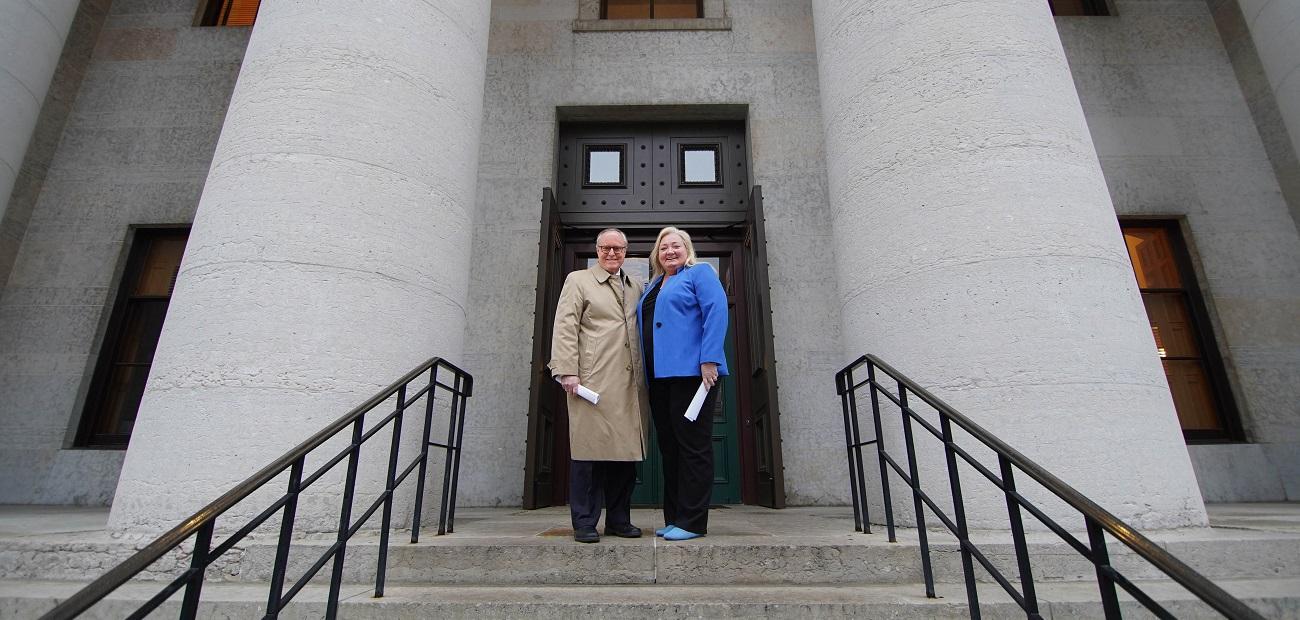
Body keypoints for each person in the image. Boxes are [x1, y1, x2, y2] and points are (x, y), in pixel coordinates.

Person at [549, 228, 649, 543]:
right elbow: (565, 325)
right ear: (596, 250)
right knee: (588, 454)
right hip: (590, 381)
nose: (611, 253)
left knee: (624, 456)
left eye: (618, 249)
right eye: (605, 247)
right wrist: (567, 371)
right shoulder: (578, 280)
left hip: (629, 385)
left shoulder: (635, 285)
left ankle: (619, 520)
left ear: (626, 252)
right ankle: (585, 522)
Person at [636, 226, 728, 541]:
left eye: (676, 246)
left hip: (693, 374)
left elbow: (716, 311)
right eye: (664, 247)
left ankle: (693, 522)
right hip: (659, 378)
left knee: (693, 447)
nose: (670, 251)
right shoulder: (653, 286)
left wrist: (710, 358)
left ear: (686, 249)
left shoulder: (699, 273)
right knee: (670, 449)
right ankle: (674, 517)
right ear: (656, 254)